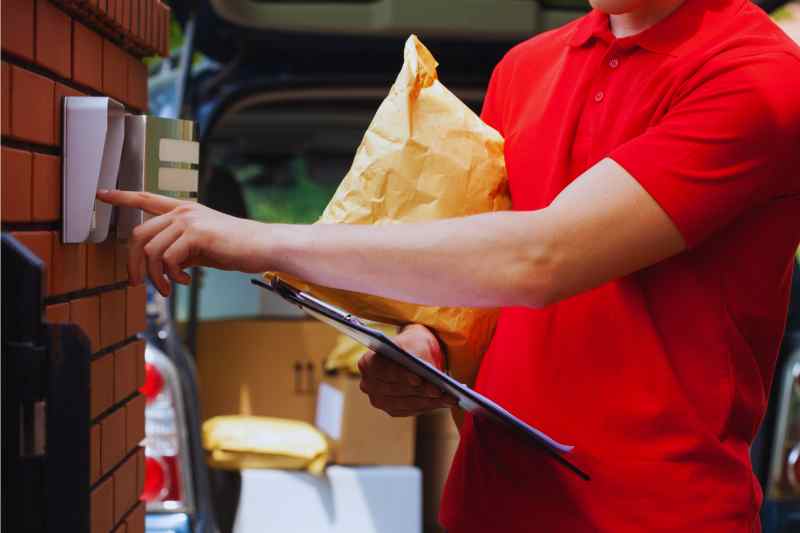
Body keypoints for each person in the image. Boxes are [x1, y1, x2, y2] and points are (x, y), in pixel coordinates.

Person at [98, 0, 800, 530]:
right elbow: (477, 289)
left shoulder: (757, 77)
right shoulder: (524, 71)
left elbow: (539, 256)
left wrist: (246, 238)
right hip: (484, 508)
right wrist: (425, 346)